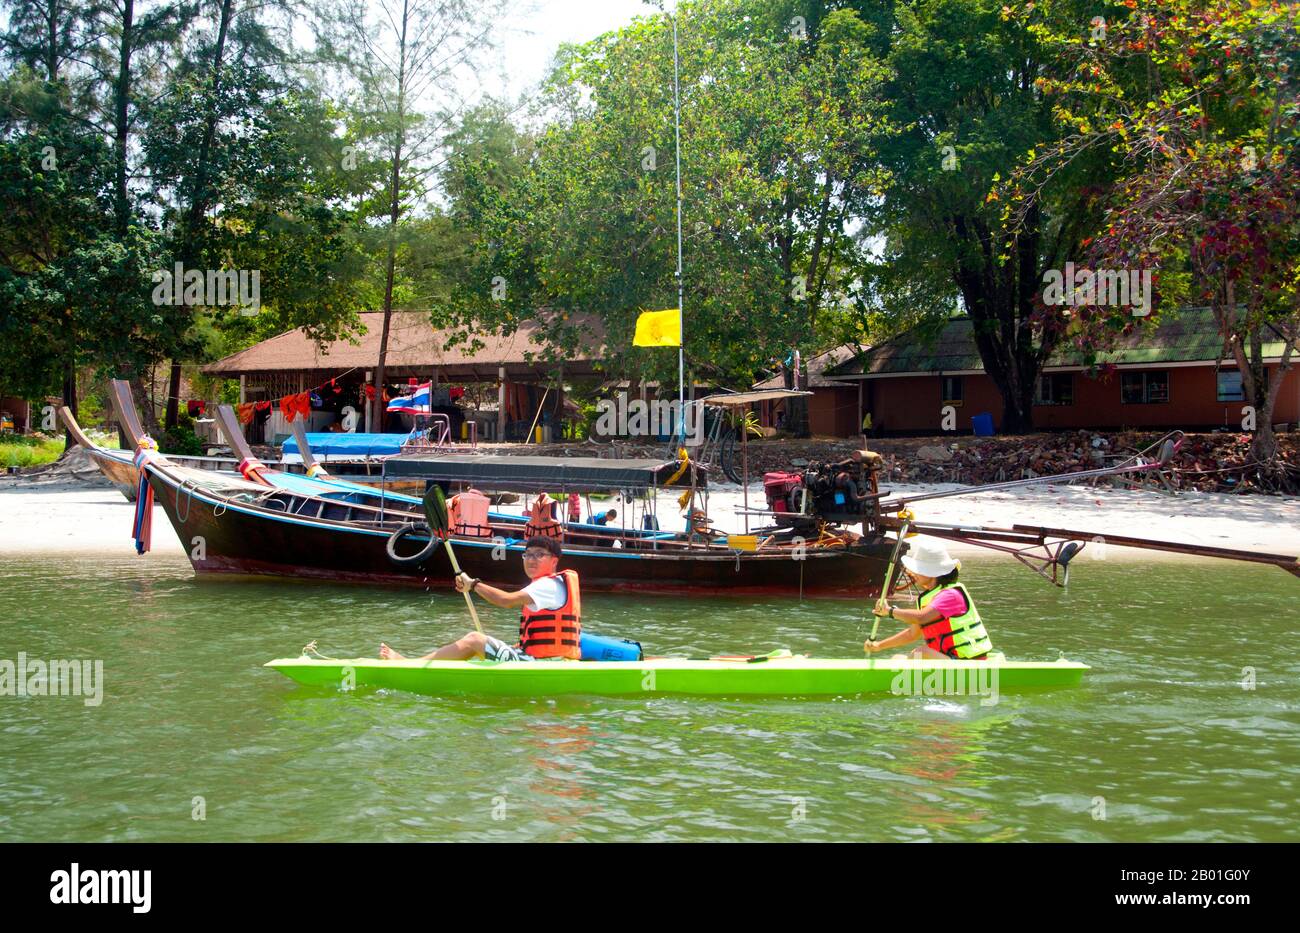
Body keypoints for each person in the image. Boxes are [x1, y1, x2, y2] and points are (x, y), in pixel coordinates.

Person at [379, 536, 581, 662]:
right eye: (527, 555)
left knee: (475, 639)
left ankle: (411, 664)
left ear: (554, 561)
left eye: (539, 555)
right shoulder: (551, 584)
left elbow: (506, 600)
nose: (531, 559)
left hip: (544, 664)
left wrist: (473, 584)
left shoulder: (547, 585)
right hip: (551, 659)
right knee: (487, 645)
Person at [865, 538, 993, 660]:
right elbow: (912, 634)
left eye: (918, 569)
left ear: (931, 572)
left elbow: (921, 617)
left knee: (922, 652)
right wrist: (879, 645)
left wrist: (889, 611)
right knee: (896, 658)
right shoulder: (929, 599)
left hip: (968, 661)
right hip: (949, 659)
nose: (914, 573)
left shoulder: (950, 595)